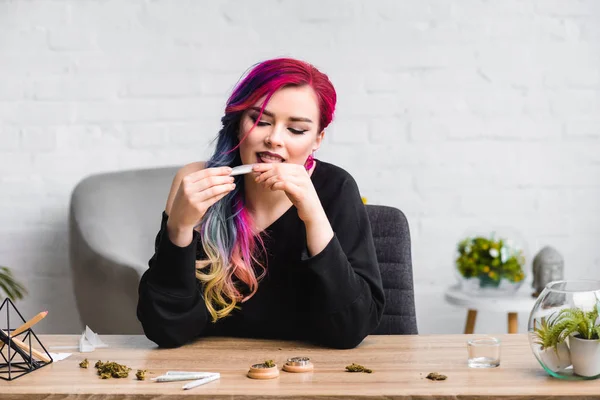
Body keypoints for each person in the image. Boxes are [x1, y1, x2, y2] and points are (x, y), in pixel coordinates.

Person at [137, 58, 385, 349]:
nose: (274, 139)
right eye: (260, 121)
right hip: (213, 372)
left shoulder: (336, 188)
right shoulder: (195, 182)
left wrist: (313, 215)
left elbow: (350, 329)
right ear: (239, 124)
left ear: (317, 139)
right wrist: (179, 228)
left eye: (296, 130)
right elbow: (166, 330)